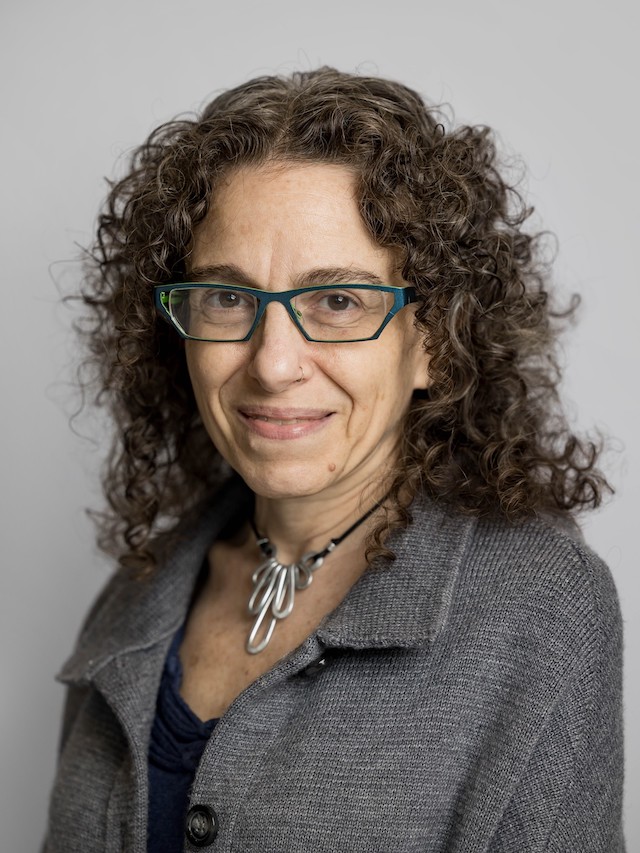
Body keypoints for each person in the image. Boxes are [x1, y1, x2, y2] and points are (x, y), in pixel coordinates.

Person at [44, 68, 625, 852]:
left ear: (435, 344)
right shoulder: (137, 593)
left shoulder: (536, 610)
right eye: (226, 297)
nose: (273, 363)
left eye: (339, 301)